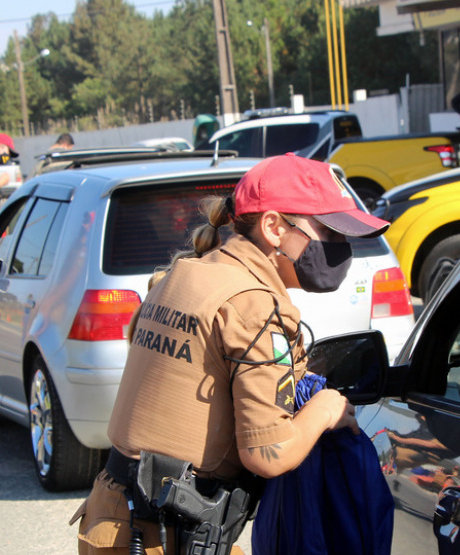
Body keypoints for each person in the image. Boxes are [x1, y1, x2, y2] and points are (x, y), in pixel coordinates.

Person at [71, 153, 390, 555]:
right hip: (160, 534)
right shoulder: (253, 305)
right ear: (273, 226)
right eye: (328, 231)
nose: (339, 247)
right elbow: (268, 454)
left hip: (119, 514)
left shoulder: (185, 273)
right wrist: (325, 409)